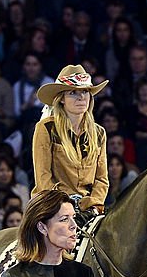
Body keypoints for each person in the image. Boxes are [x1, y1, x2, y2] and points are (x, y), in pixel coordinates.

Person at [33, 64, 108, 213]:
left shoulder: (99, 133)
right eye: (73, 92)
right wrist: (62, 204)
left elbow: (101, 179)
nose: (81, 97)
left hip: (88, 207)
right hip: (52, 205)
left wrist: (93, 203)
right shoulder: (47, 128)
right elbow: (43, 177)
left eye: (85, 92)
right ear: (61, 99)